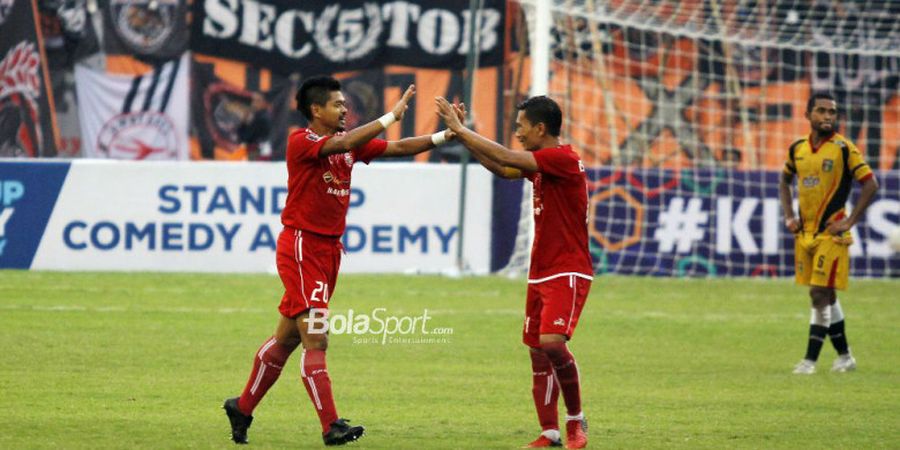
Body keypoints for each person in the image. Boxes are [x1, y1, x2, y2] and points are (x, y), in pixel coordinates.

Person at [223, 75, 454, 446]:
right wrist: (390, 116)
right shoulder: (302, 141)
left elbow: (396, 149)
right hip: (302, 247)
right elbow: (346, 141)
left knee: (286, 338)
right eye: (338, 105)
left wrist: (444, 137)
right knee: (317, 337)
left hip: (329, 251)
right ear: (316, 110)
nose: (345, 109)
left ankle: (243, 406)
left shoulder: (348, 146)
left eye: (345, 104)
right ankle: (331, 425)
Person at [435, 96, 592, 449]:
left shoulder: (562, 159)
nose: (517, 133)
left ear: (540, 128)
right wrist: (462, 136)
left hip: (567, 269)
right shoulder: (544, 164)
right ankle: (549, 432)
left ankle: (575, 419)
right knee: (537, 351)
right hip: (540, 270)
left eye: (521, 126)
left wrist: (462, 130)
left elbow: (506, 156)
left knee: (553, 343)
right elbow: (503, 169)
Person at [779, 92, 879, 375]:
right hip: (806, 235)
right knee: (828, 296)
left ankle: (809, 361)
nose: (827, 116)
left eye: (832, 112)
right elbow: (784, 181)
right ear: (808, 115)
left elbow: (871, 184)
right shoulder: (797, 148)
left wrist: (849, 220)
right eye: (821, 111)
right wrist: (789, 215)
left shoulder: (844, 148)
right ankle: (845, 356)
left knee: (818, 293)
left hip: (832, 235)